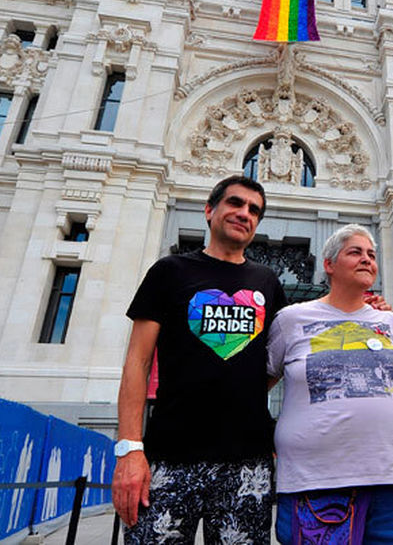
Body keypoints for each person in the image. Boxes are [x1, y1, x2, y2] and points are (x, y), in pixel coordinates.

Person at [113, 175, 286, 545]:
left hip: (248, 463)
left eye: (254, 210)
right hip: (170, 456)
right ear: (210, 211)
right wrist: (129, 448)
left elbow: (280, 356)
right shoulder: (169, 272)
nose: (244, 213)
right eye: (235, 204)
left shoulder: (268, 281)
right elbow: (137, 363)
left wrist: (362, 305)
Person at [267, 224, 393, 544]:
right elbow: (261, 385)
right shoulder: (291, 319)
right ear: (329, 264)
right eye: (355, 252)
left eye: (371, 255)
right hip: (315, 479)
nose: (367, 259)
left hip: (392, 479)